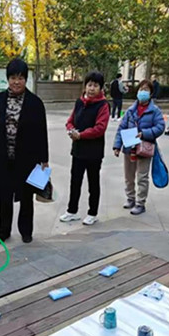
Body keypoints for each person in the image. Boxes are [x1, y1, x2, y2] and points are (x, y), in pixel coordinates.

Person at [0, 58, 49, 244]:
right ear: (8, 79)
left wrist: (44, 158)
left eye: (20, 78)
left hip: (27, 158)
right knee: (4, 197)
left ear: (26, 79)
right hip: (2, 157)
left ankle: (26, 230)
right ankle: (3, 231)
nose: (16, 82)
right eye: (13, 77)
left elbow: (42, 132)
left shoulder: (35, 103)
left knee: (26, 196)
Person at [60, 71, 110, 226]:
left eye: (95, 85)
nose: (92, 88)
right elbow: (70, 120)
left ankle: (92, 213)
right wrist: (70, 130)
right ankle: (72, 211)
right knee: (75, 181)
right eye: (89, 85)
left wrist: (81, 135)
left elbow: (100, 128)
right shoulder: (79, 102)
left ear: (100, 88)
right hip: (78, 150)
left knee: (93, 183)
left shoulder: (103, 105)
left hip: (93, 152)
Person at [113, 79, 164, 215]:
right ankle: (130, 198)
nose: (143, 92)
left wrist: (145, 134)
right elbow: (122, 127)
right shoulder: (131, 110)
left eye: (146, 90)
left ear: (151, 93)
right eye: (141, 89)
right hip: (129, 147)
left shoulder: (155, 111)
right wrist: (117, 145)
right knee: (129, 176)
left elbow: (160, 127)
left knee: (142, 177)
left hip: (144, 147)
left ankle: (140, 203)